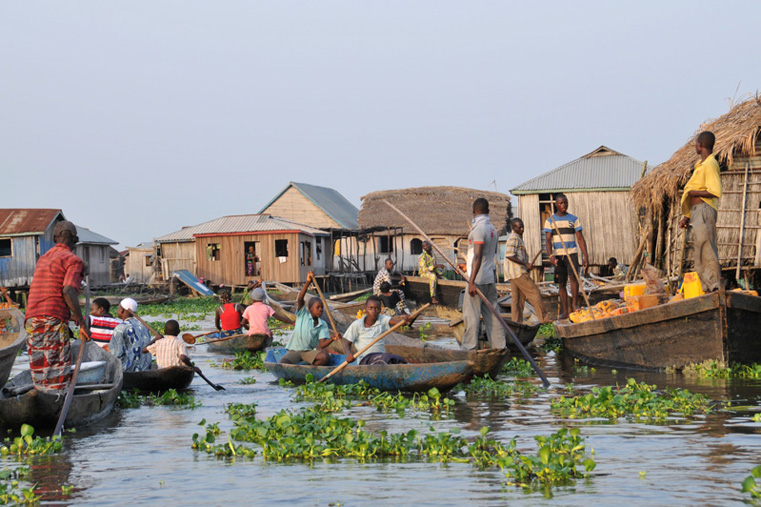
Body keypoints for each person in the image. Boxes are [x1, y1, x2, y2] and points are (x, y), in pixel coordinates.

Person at [23, 220, 89, 392]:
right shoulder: (73, 260)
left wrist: (72, 316)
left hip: (31, 319)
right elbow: (67, 291)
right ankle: (56, 401)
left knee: (40, 367)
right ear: (75, 240)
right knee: (57, 368)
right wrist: (82, 324)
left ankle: (42, 398)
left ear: (54, 238)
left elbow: (51, 295)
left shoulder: (43, 259)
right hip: (51, 320)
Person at [679, 131, 722, 292]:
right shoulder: (700, 165)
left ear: (701, 145)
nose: (695, 146)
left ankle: (714, 286)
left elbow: (714, 191)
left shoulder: (711, 164)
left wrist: (693, 193)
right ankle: (707, 287)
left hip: (704, 210)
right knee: (699, 250)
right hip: (697, 211)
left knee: (707, 247)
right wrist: (687, 216)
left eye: (696, 144)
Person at [462, 198, 506, 351]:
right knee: (493, 314)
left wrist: (472, 281)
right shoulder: (492, 228)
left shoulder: (479, 230)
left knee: (471, 315)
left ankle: (469, 348)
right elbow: (483, 255)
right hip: (489, 277)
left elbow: (478, 255)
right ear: (488, 211)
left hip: (478, 279)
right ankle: (500, 347)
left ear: (474, 212)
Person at [544, 193, 589, 320]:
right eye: (561, 203)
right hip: (559, 255)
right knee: (562, 283)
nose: (564, 205)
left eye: (566, 202)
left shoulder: (573, 219)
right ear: (556, 205)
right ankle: (565, 311)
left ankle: (574, 305)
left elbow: (580, 238)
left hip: (572, 253)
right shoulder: (550, 221)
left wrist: (585, 256)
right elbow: (548, 240)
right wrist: (551, 256)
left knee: (574, 278)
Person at [279, 272, 335, 365]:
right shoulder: (303, 314)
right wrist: (308, 282)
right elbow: (300, 299)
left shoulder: (322, 324)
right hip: (294, 350)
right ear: (310, 309)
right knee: (283, 363)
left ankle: (311, 368)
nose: (320, 310)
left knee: (324, 357)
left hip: (308, 352)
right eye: (317, 307)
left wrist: (332, 339)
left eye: (322, 307)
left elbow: (321, 345)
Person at [340, 296, 412, 365]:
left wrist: (404, 321)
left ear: (380, 310)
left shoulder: (383, 319)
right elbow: (347, 344)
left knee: (398, 359)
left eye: (376, 309)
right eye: (370, 308)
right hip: (365, 359)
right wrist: (349, 354)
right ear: (366, 309)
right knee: (384, 359)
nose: (373, 311)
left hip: (381, 356)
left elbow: (400, 323)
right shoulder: (357, 325)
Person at [504, 218, 548, 324]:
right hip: (518, 273)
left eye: (522, 226)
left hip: (513, 273)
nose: (522, 229)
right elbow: (509, 255)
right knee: (535, 293)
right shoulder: (514, 238)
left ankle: (516, 323)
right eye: (519, 227)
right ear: (513, 228)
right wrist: (525, 264)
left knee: (518, 300)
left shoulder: (518, 238)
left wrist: (526, 265)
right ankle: (544, 318)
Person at [110, 298, 153, 372]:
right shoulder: (144, 325)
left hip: (128, 371)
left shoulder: (120, 328)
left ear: (122, 310)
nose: (117, 310)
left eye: (118, 308)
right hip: (145, 369)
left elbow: (117, 353)